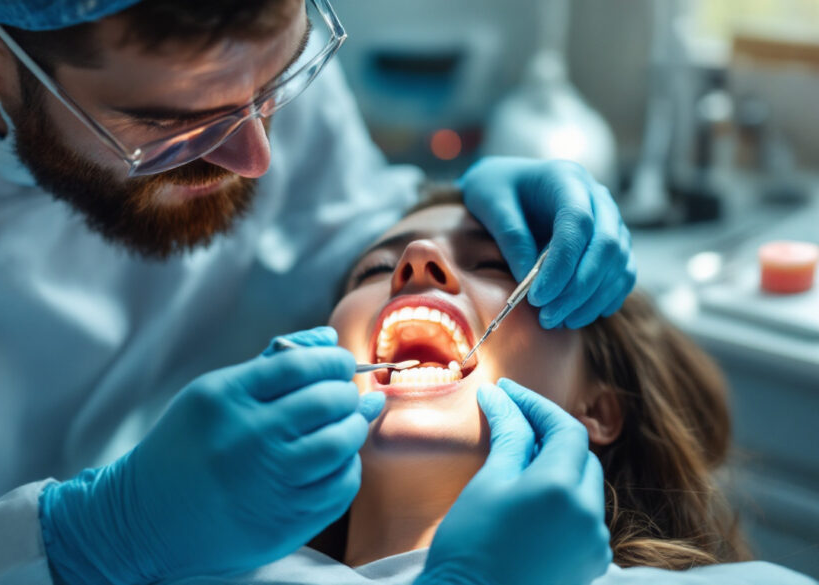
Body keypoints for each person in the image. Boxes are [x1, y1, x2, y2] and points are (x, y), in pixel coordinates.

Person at [0, 1, 635, 584]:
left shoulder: (229, 55)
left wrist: (444, 207)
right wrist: (98, 537)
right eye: (176, 128)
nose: (258, 156)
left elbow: (337, 234)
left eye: (277, 87)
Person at [157, 191, 817, 585]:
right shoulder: (182, 562)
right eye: (376, 267)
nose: (418, 260)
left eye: (495, 263)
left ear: (598, 408)